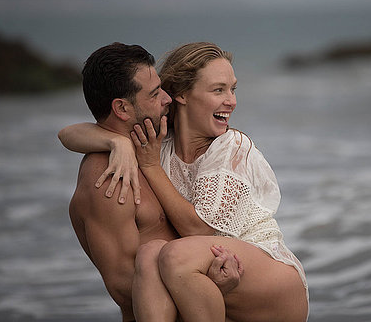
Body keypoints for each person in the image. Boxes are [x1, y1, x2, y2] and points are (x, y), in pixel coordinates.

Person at [60, 42, 309, 322]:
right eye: (218, 90)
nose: (164, 98)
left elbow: (197, 227)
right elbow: (68, 133)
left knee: (169, 255)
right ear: (183, 96)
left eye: (232, 89)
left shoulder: (222, 147)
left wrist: (136, 155)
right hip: (203, 282)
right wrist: (116, 142)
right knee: (155, 253)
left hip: (260, 275)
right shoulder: (137, 153)